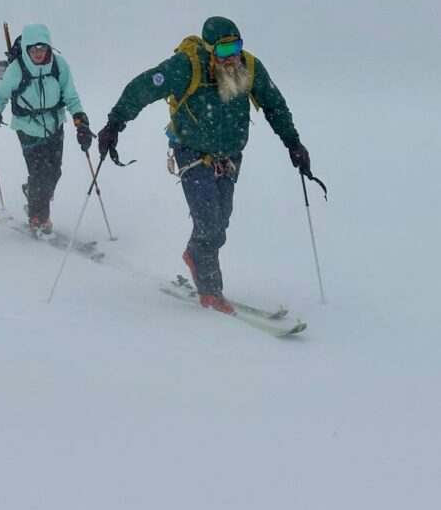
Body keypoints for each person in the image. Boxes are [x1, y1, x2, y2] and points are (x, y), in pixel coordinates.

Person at [97, 16, 311, 314]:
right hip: (192, 154)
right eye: (224, 51)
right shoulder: (186, 66)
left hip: (230, 158)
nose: (232, 56)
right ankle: (211, 291)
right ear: (210, 49)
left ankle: (194, 254)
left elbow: (275, 105)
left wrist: (293, 143)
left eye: (236, 46)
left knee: (220, 221)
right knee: (209, 223)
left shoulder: (249, 67)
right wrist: (114, 123)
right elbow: (143, 87)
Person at [0, 23, 92, 233]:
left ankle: (33, 195)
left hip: (55, 124)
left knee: (54, 172)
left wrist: (80, 120)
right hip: (27, 128)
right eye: (33, 49)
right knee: (39, 173)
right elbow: (1, 94)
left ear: (49, 46)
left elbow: (70, 95)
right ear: (27, 49)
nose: (38, 53)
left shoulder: (60, 65)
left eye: (42, 48)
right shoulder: (17, 68)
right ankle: (39, 216)